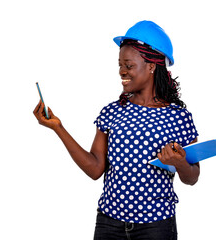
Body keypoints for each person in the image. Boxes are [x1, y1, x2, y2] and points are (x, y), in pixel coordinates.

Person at [33, 20, 200, 240]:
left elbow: (192, 177)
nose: (122, 71)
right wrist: (58, 128)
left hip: (156, 226)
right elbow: (95, 169)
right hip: (109, 224)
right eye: (120, 64)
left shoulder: (178, 117)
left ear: (151, 66)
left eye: (129, 65)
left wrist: (179, 161)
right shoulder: (112, 112)